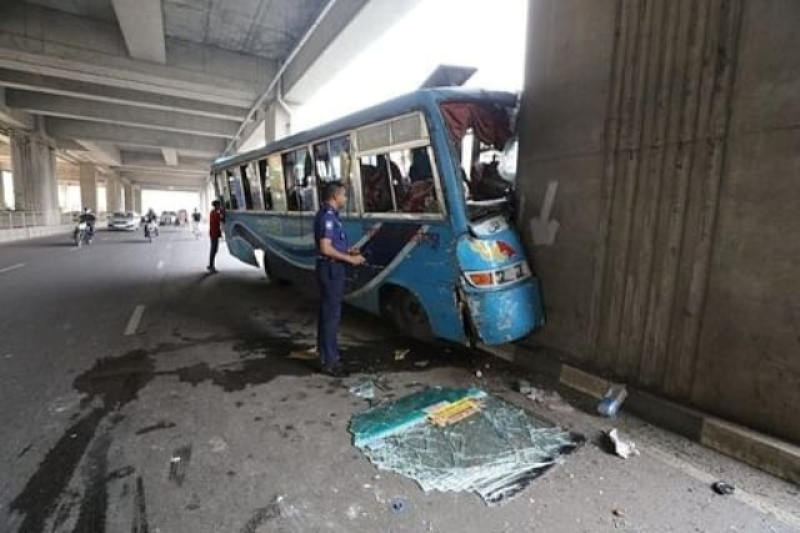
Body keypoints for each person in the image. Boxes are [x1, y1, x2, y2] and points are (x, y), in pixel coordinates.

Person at [314, 182, 365, 377]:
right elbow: (326, 248)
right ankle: (330, 362)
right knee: (331, 316)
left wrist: (347, 250)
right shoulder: (327, 217)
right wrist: (350, 259)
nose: (345, 199)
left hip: (331, 267)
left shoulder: (331, 216)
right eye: (344, 195)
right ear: (335, 197)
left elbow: (332, 245)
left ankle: (326, 354)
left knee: (328, 314)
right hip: (331, 269)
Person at [207, 200, 224, 273]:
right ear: (216, 206)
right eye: (219, 205)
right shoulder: (215, 214)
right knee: (213, 250)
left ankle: (211, 265)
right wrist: (222, 211)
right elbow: (222, 219)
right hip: (214, 234)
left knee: (213, 250)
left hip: (213, 233)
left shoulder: (212, 212)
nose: (220, 206)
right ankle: (211, 266)